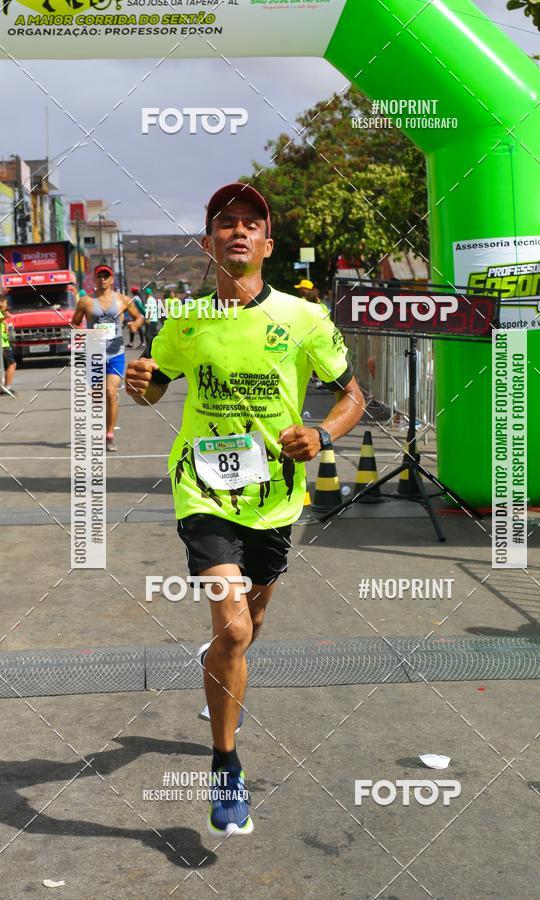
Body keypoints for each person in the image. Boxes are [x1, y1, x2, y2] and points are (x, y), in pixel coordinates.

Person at [125, 182, 364, 836]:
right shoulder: (186, 320)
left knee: (249, 623)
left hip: (275, 498)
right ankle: (226, 765)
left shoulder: (304, 318)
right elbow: (154, 388)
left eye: (249, 223)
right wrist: (140, 386)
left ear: (267, 243)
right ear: (209, 243)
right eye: (225, 223)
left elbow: (353, 396)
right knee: (232, 630)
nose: (237, 230)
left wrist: (322, 435)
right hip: (203, 489)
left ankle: (220, 666)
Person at [72, 264, 144, 451]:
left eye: (106, 276)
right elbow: (74, 324)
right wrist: (85, 334)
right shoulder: (85, 302)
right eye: (100, 276)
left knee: (111, 392)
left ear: (112, 279)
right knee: (97, 397)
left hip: (115, 354)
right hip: (94, 355)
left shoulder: (122, 300)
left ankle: (109, 435)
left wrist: (135, 325)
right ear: (95, 279)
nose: (103, 279)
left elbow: (139, 317)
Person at [0, 294, 17, 398]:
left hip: (4, 343)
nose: (6, 305)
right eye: (5, 303)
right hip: (3, 345)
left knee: (5, 366)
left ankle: (5, 387)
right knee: (12, 364)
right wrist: (5, 317)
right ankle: (7, 387)